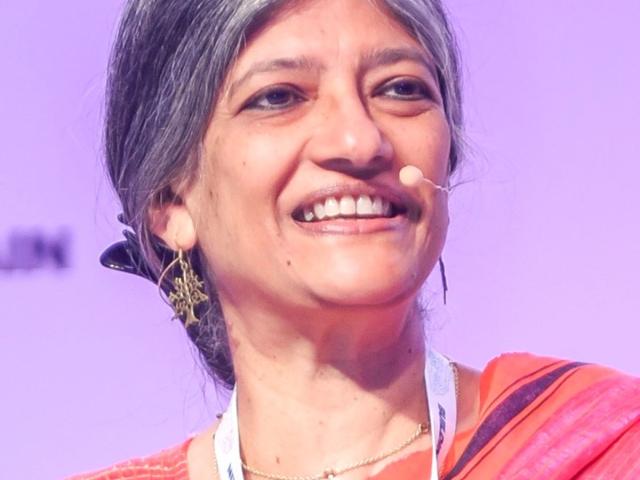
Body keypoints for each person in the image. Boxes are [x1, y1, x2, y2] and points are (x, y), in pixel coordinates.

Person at [71, 0, 640, 479]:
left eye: (400, 89)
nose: (360, 141)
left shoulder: (608, 448)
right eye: (278, 97)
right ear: (170, 203)